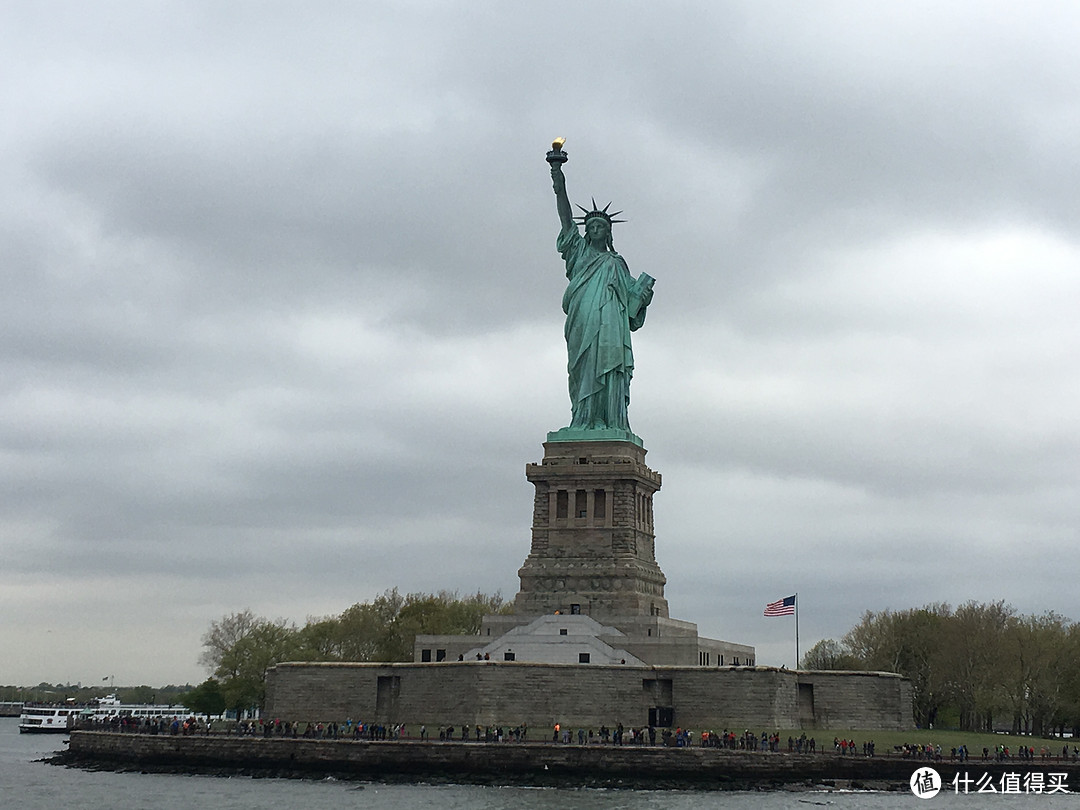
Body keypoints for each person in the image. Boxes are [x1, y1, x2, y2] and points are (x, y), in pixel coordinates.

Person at [550, 160, 654, 433]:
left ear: (609, 232)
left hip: (612, 323)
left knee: (610, 369)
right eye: (591, 226)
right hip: (583, 317)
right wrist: (558, 180)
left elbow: (633, 307)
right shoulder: (578, 253)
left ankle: (610, 421)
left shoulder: (616, 263)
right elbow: (565, 216)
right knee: (583, 367)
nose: (596, 229)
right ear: (585, 231)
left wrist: (644, 296)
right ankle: (583, 419)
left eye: (601, 227)